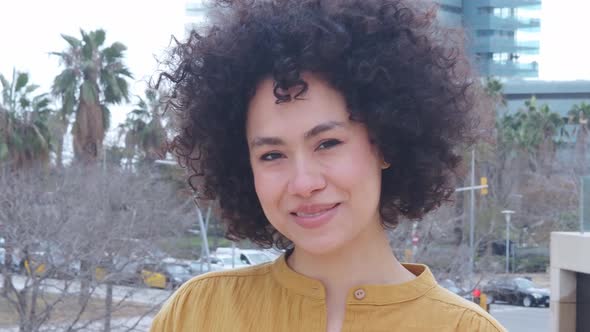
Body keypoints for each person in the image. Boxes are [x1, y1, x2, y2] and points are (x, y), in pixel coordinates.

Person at [151, 0, 505, 331]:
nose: (303, 183)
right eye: (272, 155)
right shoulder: (197, 313)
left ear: (385, 142)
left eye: (328, 143)